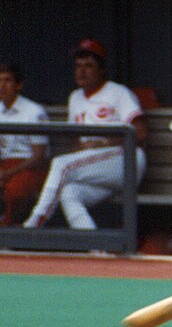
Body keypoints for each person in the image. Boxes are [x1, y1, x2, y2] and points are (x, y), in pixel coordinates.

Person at [23, 39, 147, 230]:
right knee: (69, 192)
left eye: (89, 66)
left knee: (60, 164)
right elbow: (76, 140)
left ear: (101, 69)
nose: (82, 71)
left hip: (127, 160)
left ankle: (34, 223)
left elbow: (140, 133)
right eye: (78, 66)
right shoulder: (75, 97)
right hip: (98, 168)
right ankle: (96, 248)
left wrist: (102, 143)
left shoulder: (118, 92)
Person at [0, 62, 49, 225]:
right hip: (4, 165)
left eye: (7, 80)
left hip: (29, 167)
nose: (2, 85)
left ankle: (8, 232)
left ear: (19, 85)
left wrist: (8, 173)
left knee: (14, 190)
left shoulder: (34, 111)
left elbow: (39, 156)